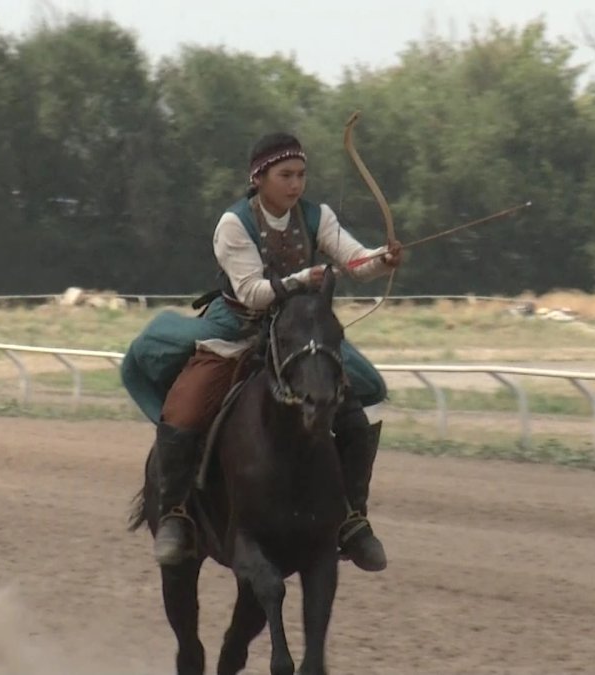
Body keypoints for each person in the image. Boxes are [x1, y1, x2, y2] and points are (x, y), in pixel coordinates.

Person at [121, 132, 401, 572]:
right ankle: (175, 512)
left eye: (301, 175)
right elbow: (252, 293)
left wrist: (382, 259)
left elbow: (355, 261)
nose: (295, 185)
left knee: (349, 407)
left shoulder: (316, 216)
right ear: (259, 178)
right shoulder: (233, 224)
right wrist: (301, 279)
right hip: (235, 328)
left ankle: (352, 519)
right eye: (285, 175)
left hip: (297, 334)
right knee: (186, 410)